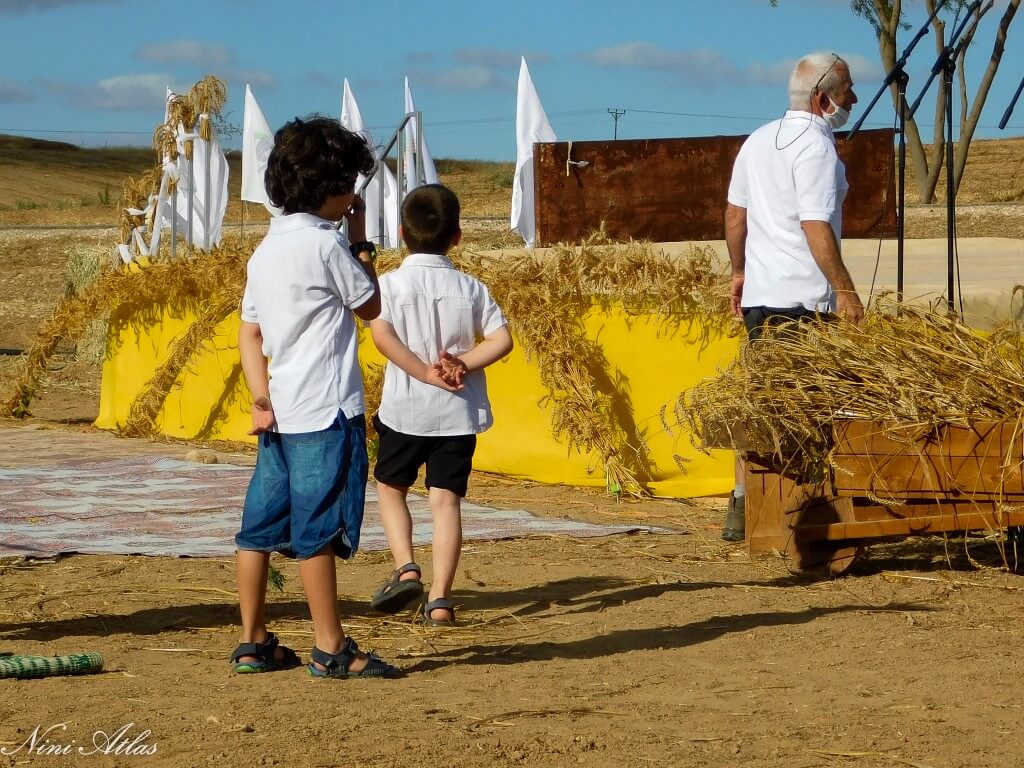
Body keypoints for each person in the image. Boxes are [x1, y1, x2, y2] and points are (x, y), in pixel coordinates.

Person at [231, 115, 399, 679]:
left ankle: (252, 640)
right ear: (331, 189)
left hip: (277, 411)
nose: (354, 193)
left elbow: (249, 332)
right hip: (325, 411)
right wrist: (361, 241)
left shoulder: (263, 252)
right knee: (317, 530)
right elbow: (370, 304)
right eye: (350, 183)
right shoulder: (328, 248)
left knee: (258, 529)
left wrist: (260, 397)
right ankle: (331, 647)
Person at [721, 52, 865, 541]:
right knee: (809, 415)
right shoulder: (818, 148)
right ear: (823, 99)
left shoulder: (757, 141)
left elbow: (735, 215)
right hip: (804, 302)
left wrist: (739, 272)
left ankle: (745, 506)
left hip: (761, 297)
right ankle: (800, 521)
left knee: (763, 406)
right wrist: (846, 293)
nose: (854, 100)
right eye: (847, 92)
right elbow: (815, 224)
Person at [367, 184, 513, 625]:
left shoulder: (388, 285)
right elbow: (502, 339)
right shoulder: (471, 288)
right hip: (457, 414)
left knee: (392, 488)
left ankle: (406, 565)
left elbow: (381, 334)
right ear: (458, 236)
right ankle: (441, 600)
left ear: (399, 233)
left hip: (405, 410)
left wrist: (420, 371)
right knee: (446, 502)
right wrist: (461, 365)